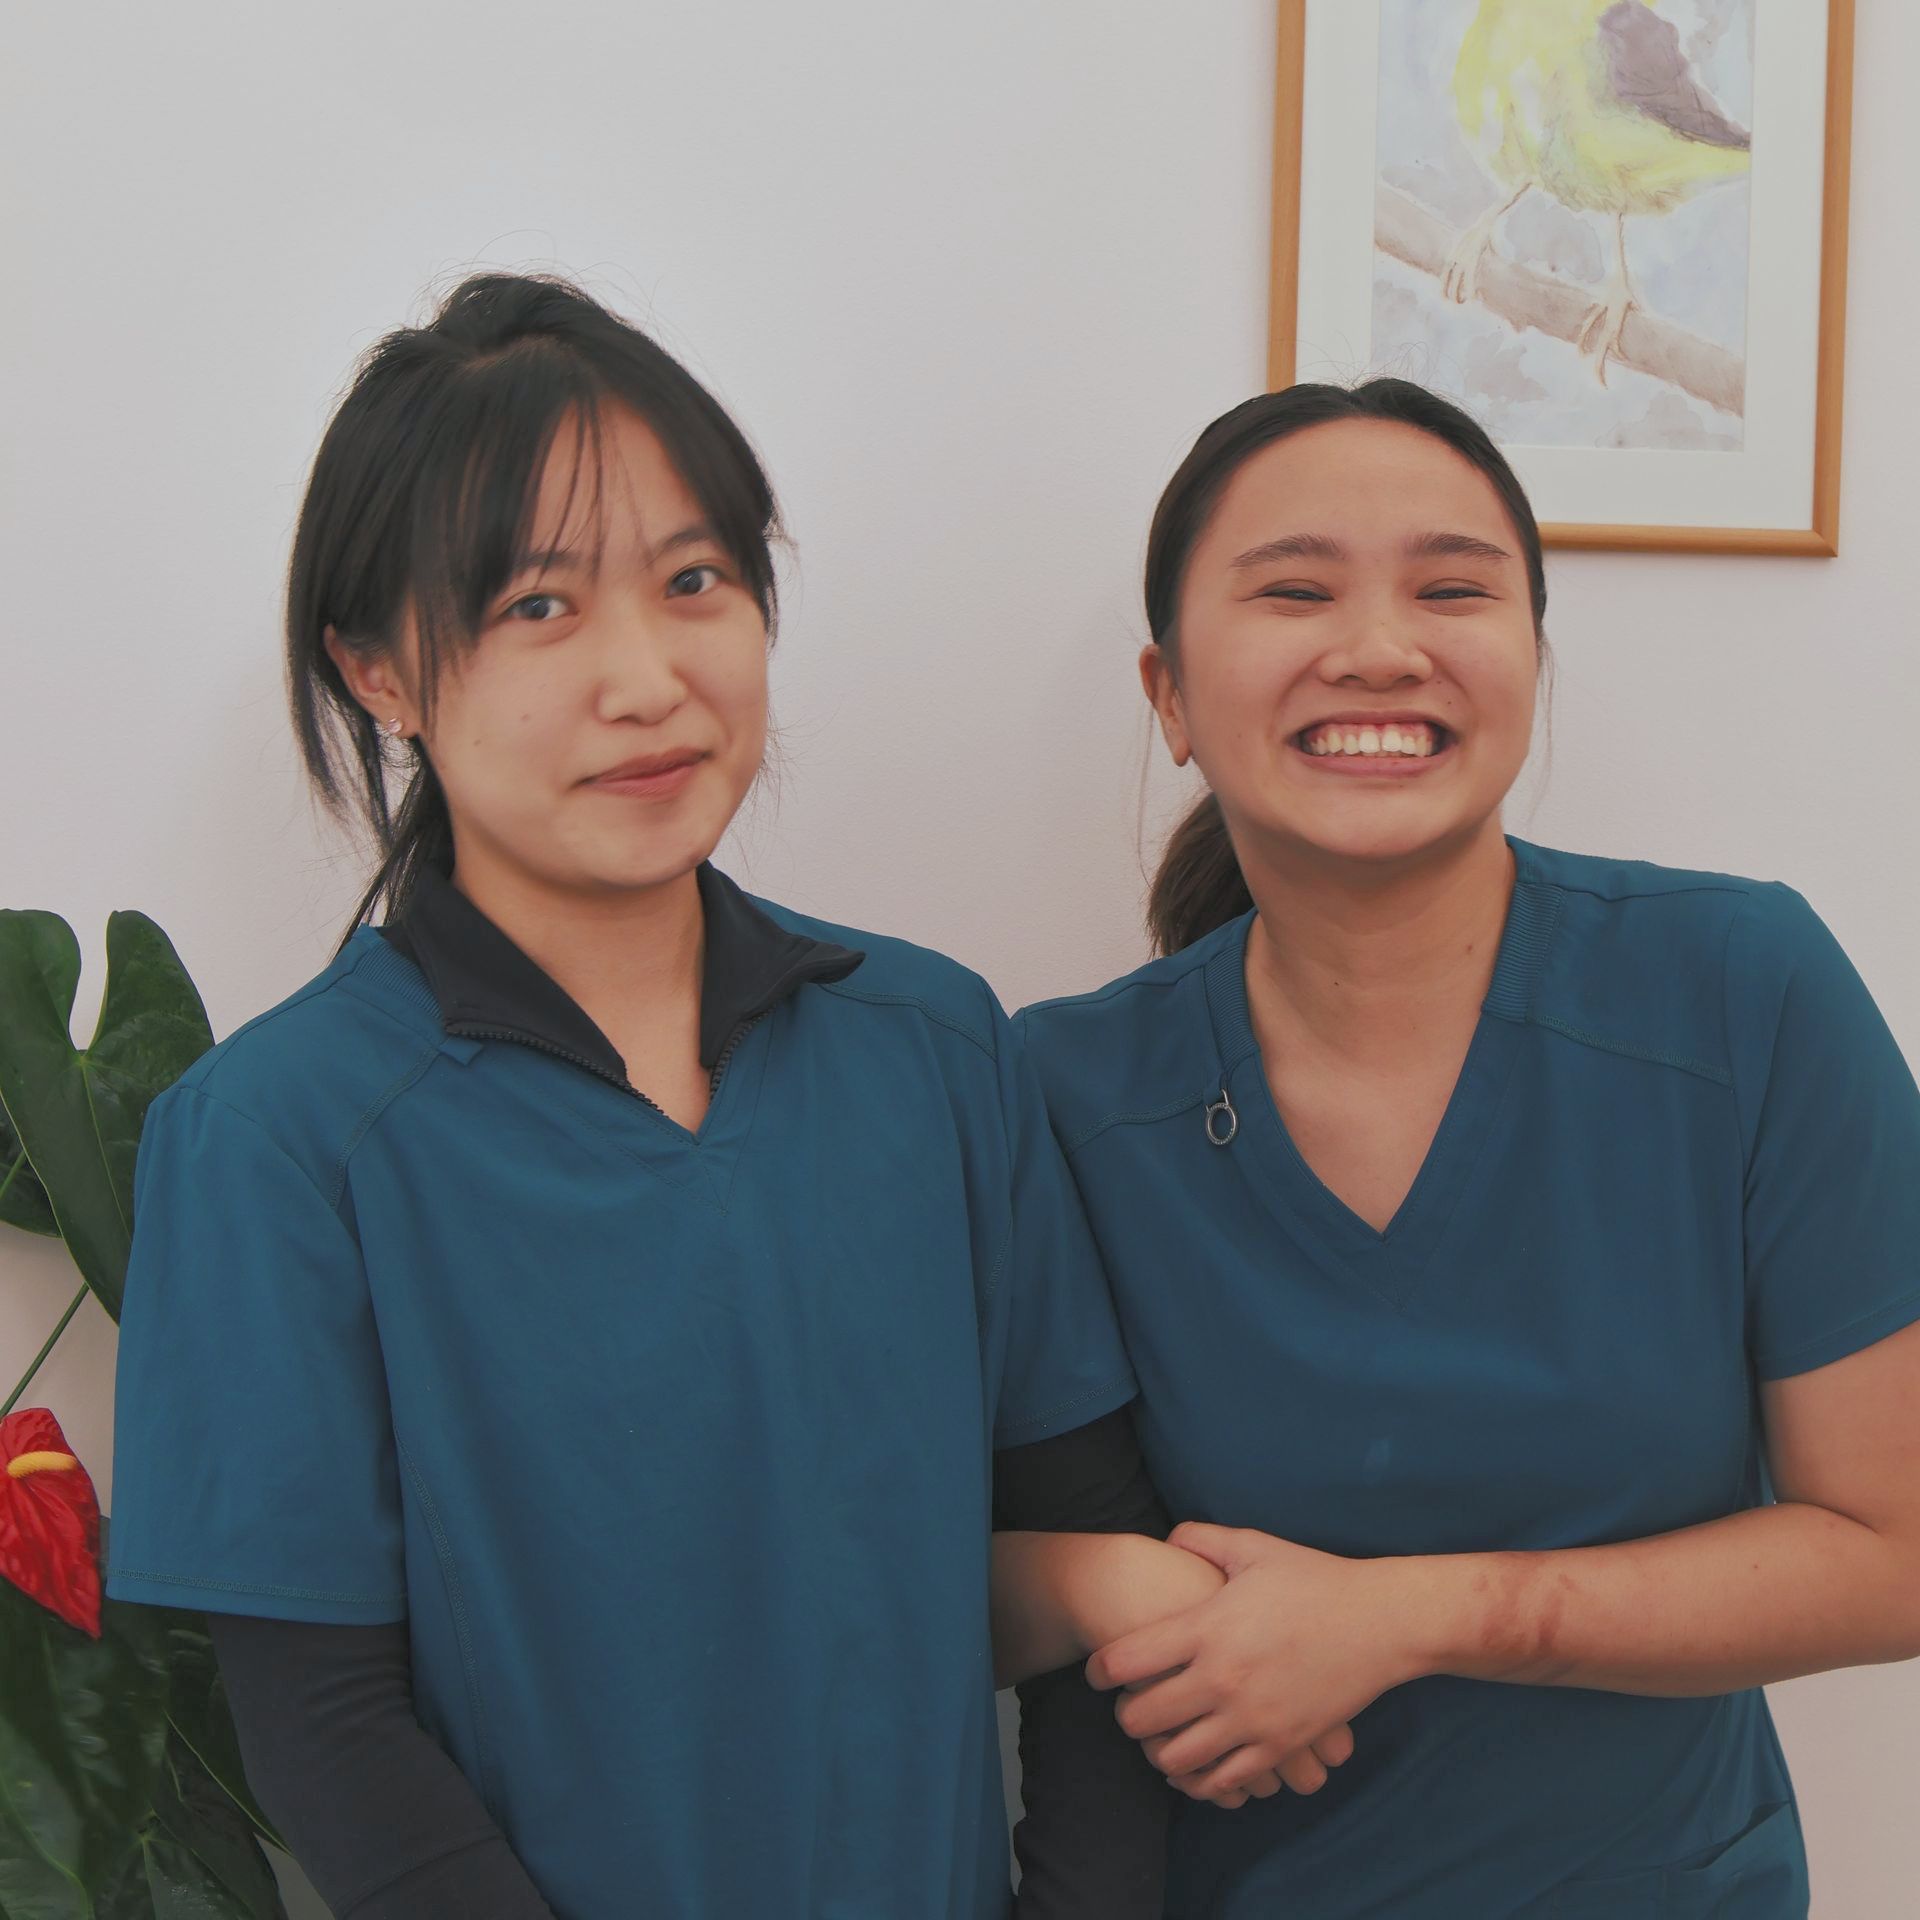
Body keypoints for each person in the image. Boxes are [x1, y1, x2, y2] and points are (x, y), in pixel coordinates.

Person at [104, 272, 1223, 1919]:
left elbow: (1107, 1573)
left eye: (696, 579)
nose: (648, 678)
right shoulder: (276, 1139)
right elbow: (321, 1723)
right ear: (377, 669)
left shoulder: (932, 1046)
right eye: (538, 606)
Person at [1016, 378, 1920, 1916]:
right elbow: (878, 1543)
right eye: (1295, 589)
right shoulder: (1057, 1092)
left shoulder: (1739, 992)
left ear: (1530, 662)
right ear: (1169, 696)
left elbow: (1892, 1547)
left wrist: (1416, 1617)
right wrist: (1127, 1586)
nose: (1380, 647)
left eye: (1453, 587)